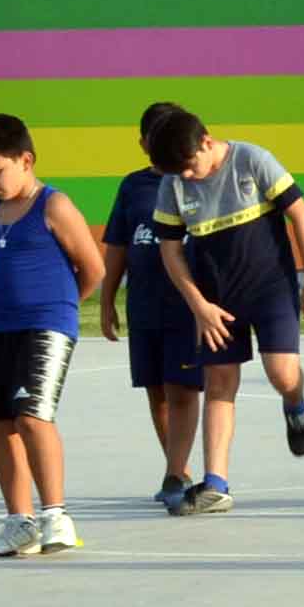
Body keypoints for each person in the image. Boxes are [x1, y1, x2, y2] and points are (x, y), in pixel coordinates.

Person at [149, 108, 304, 515]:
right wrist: (199, 306)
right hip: (215, 303)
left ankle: (295, 403)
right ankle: (216, 483)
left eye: (190, 166)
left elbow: (301, 215)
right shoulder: (173, 185)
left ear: (206, 142)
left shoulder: (252, 160)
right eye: (177, 172)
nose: (187, 177)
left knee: (282, 374)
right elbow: (171, 251)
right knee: (220, 384)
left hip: (270, 290)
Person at [0, 116, 105, 559]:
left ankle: (55, 514)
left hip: (47, 326)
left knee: (31, 416)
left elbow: (93, 270)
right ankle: (19, 522)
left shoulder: (53, 206)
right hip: (0, 327)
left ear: (26, 160)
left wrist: (60, 311)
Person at [97, 101, 205, 513]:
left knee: (183, 390)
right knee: (156, 392)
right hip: (144, 306)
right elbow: (117, 245)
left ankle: (176, 474)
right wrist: (107, 301)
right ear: (143, 142)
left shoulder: (196, 182)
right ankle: (177, 467)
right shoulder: (132, 186)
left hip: (185, 306)